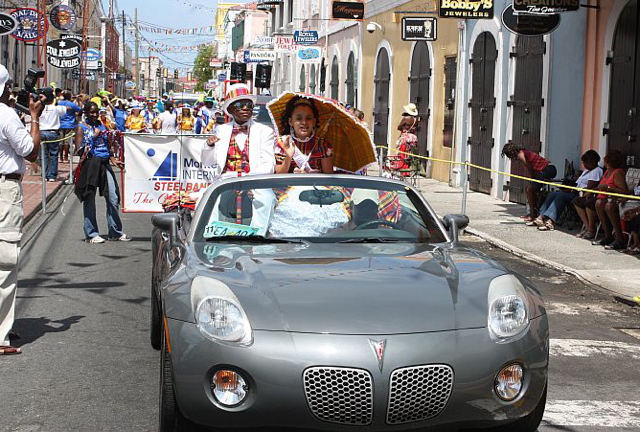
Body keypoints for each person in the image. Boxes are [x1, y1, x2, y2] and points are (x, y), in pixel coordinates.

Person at [0, 64, 45, 355]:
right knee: (4, 262)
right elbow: (31, 151)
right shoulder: (5, 115)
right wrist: (34, 118)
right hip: (3, 191)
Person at [201, 83, 276, 234]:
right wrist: (208, 146)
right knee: (206, 203)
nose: (246, 108)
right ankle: (212, 241)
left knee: (267, 200)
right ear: (231, 110)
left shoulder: (264, 131)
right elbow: (208, 162)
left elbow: (269, 165)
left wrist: (244, 177)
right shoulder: (221, 130)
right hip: (225, 180)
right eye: (241, 105)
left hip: (255, 180)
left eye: (249, 105)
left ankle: (257, 238)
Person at [74, 101, 130, 243]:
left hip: (104, 164)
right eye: (91, 112)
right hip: (91, 164)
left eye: (96, 112)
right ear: (86, 113)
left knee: (113, 197)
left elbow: (106, 145)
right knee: (89, 199)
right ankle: (91, 234)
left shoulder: (101, 124)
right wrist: (92, 137)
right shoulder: (81, 127)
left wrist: (113, 159)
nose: (94, 115)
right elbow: (78, 150)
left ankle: (115, 231)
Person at [529, 150, 603, 231]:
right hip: (574, 190)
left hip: (580, 194)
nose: (584, 164)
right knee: (553, 194)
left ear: (593, 161)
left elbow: (589, 187)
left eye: (585, 162)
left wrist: (572, 190)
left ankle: (550, 221)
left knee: (560, 196)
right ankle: (541, 217)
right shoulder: (586, 171)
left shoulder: (597, 171)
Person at [274, 96, 333, 174]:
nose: (304, 122)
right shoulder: (282, 142)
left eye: (308, 118)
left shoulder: (323, 145)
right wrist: (288, 157)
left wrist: (310, 175)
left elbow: (328, 177)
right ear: (290, 121)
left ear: (314, 121)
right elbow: (277, 174)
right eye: (299, 119)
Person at [501, 142, 557, 221]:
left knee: (529, 190)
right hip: (548, 170)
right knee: (529, 189)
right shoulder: (523, 152)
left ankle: (533, 215)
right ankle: (532, 213)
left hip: (548, 170)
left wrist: (532, 178)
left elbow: (529, 168)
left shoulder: (520, 155)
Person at [593, 150, 628, 249]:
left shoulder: (617, 173)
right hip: (604, 197)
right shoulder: (607, 172)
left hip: (616, 199)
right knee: (598, 204)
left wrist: (608, 188)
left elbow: (624, 191)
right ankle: (608, 236)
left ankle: (619, 238)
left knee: (609, 207)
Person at [39, 87, 70, 182]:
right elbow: (68, 108)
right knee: (53, 154)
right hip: (52, 133)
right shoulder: (56, 108)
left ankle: (44, 174)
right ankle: (52, 175)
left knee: (43, 154)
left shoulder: (40, 108)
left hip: (42, 132)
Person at [57, 90, 82, 164]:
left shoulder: (59, 103)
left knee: (61, 142)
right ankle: (65, 157)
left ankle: (60, 157)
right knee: (67, 142)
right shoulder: (72, 104)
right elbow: (80, 110)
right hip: (69, 124)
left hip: (60, 124)